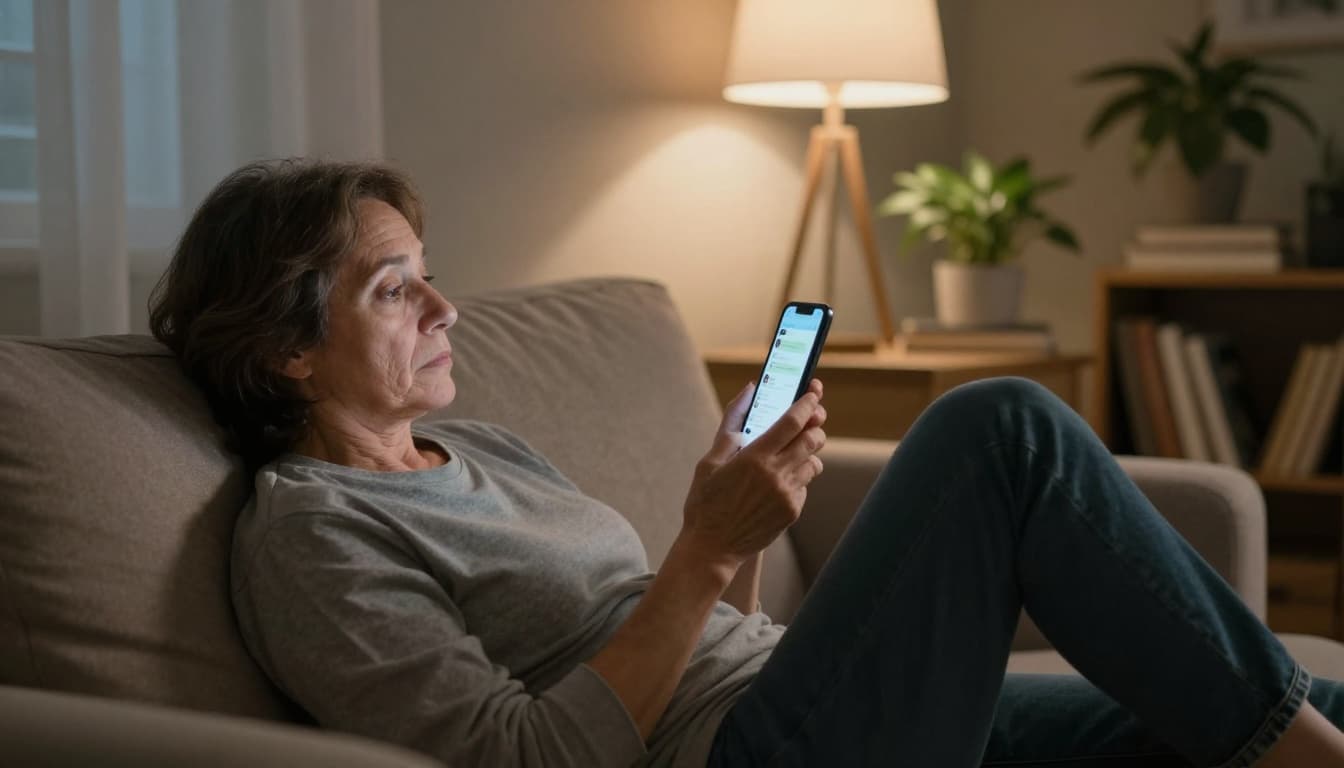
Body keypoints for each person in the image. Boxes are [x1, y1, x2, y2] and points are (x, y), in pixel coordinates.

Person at [150, 158, 1344, 768]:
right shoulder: (311, 536)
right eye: (395, 288)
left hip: (791, 703)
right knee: (1000, 429)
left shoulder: (480, 448)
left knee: (1275, 708)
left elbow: (701, 639)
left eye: (429, 272)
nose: (446, 307)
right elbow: (521, 757)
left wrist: (740, 543)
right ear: (286, 348)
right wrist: (705, 544)